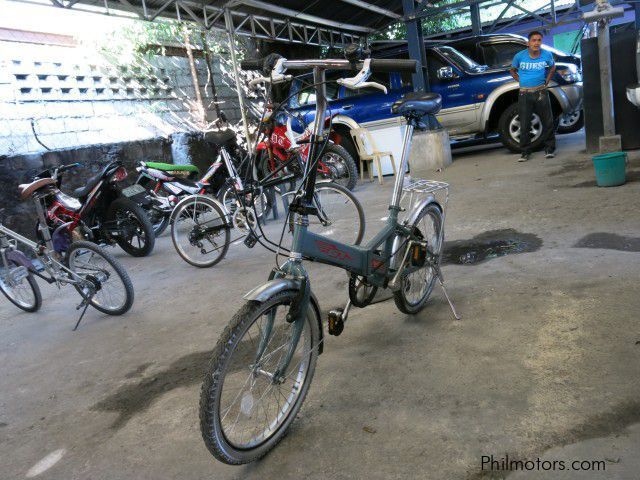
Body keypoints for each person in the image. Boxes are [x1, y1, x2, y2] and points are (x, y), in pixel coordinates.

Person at [510, 31, 557, 162]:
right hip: (524, 93)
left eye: (539, 40)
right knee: (524, 123)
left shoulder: (547, 54)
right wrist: (520, 81)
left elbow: (553, 68)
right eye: (534, 40)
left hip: (541, 92)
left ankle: (549, 149)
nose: (537, 43)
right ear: (528, 43)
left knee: (547, 121)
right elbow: (512, 70)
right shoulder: (519, 56)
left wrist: (547, 81)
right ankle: (525, 152)